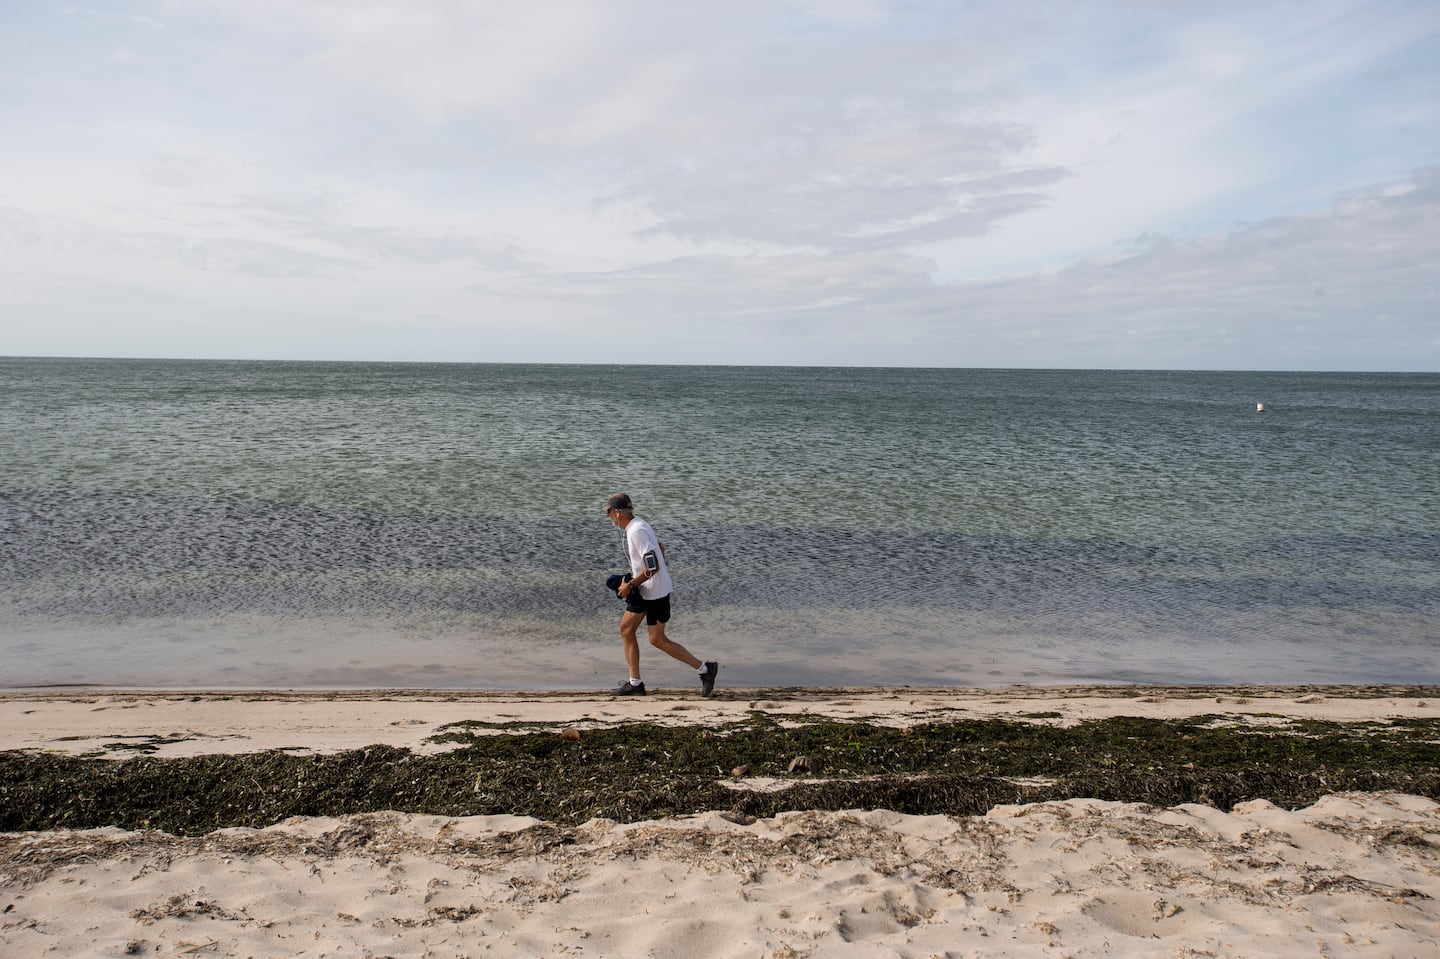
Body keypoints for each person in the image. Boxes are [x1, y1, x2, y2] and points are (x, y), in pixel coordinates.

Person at [604, 492, 718, 697]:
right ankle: (635, 683)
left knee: (657, 640)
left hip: (655, 592)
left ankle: (705, 670)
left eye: (609, 513)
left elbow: (653, 565)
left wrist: (629, 584)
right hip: (644, 589)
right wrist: (635, 580)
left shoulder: (636, 531)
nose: (609, 517)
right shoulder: (638, 526)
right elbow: (661, 549)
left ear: (618, 513)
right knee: (626, 629)